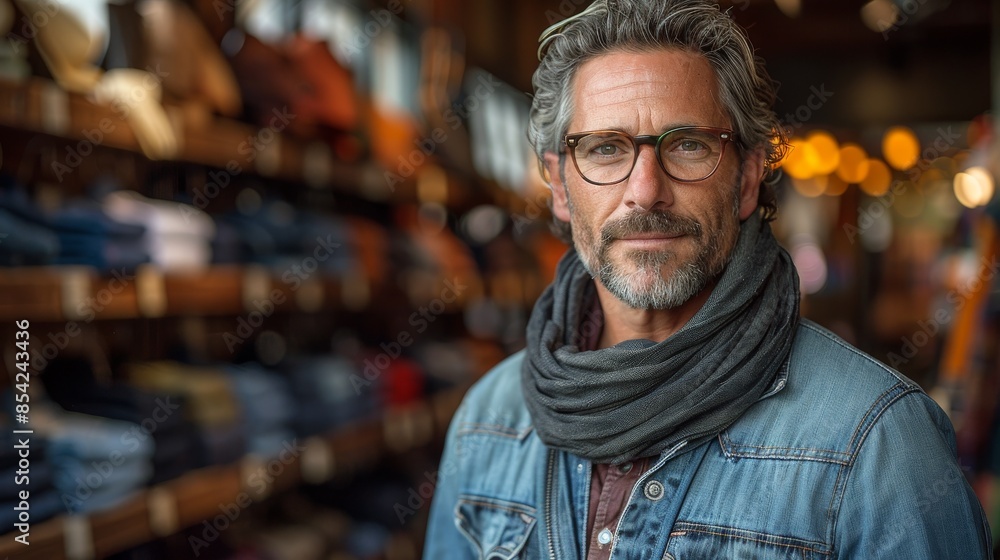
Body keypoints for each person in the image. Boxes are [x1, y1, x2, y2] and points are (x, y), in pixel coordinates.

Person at [424, 0, 993, 557]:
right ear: (559, 186)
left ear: (748, 178)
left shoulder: (878, 444)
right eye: (603, 149)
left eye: (689, 145)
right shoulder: (487, 422)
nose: (645, 191)